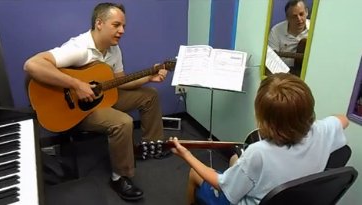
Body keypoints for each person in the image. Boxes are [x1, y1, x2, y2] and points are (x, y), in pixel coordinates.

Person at [24, 2, 169, 201]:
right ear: (99, 23)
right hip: (76, 109)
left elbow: (121, 81)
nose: (122, 31)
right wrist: (76, 84)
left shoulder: (113, 49)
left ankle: (152, 145)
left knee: (150, 95)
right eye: (116, 25)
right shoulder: (79, 48)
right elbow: (32, 65)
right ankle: (120, 176)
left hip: (103, 97)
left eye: (124, 26)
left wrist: (149, 77)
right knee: (123, 122)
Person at [170, 73, 349, 205]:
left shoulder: (259, 152)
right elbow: (344, 119)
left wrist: (186, 155)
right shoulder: (322, 130)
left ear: (263, 118)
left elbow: (222, 186)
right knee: (235, 159)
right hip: (296, 198)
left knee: (195, 173)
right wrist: (310, 122)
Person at [268, 0, 309, 76]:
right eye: (294, 16)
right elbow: (271, 58)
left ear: (306, 12)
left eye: (301, 14)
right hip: (282, 74)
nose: (299, 19)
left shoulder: (315, 29)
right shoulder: (276, 31)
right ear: (287, 18)